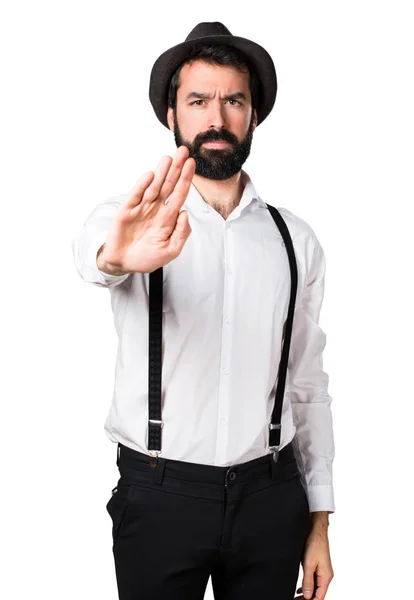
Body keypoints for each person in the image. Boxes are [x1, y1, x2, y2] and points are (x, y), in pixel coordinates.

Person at [72, 21, 335, 600]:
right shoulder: (132, 217)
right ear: (173, 117)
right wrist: (118, 256)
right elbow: (97, 256)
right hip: (160, 496)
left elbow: (307, 385)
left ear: (253, 117)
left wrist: (318, 521)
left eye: (233, 100)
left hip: (273, 499)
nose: (216, 117)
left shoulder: (296, 240)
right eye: (198, 101)